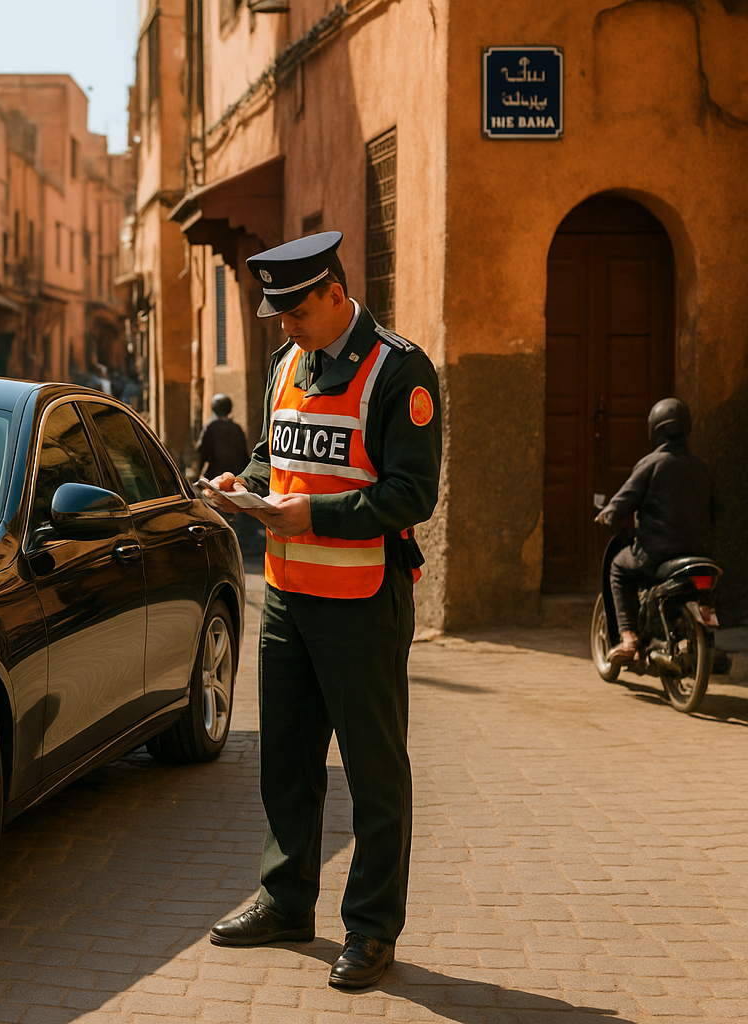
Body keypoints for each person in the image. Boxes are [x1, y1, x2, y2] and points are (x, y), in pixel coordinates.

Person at [202, 231, 442, 990]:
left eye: (297, 310)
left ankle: (371, 930)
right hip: (286, 597)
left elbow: (412, 495)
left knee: (374, 773)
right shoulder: (285, 367)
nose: (287, 326)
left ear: (336, 293)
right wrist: (242, 484)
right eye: (278, 315)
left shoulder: (399, 371)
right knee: (288, 763)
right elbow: (278, 457)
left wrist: (313, 517)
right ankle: (284, 901)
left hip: (364, 601)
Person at [596, 398, 712, 662]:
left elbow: (623, 501)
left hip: (657, 555)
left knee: (618, 567)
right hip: (698, 555)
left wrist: (608, 515)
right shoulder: (701, 468)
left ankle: (629, 639)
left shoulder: (651, 463)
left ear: (655, 430)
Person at [196, 393, 249, 480]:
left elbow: (201, 449)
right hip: (235, 475)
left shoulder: (211, 427)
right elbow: (244, 455)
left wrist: (199, 473)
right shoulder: (236, 428)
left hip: (216, 475)